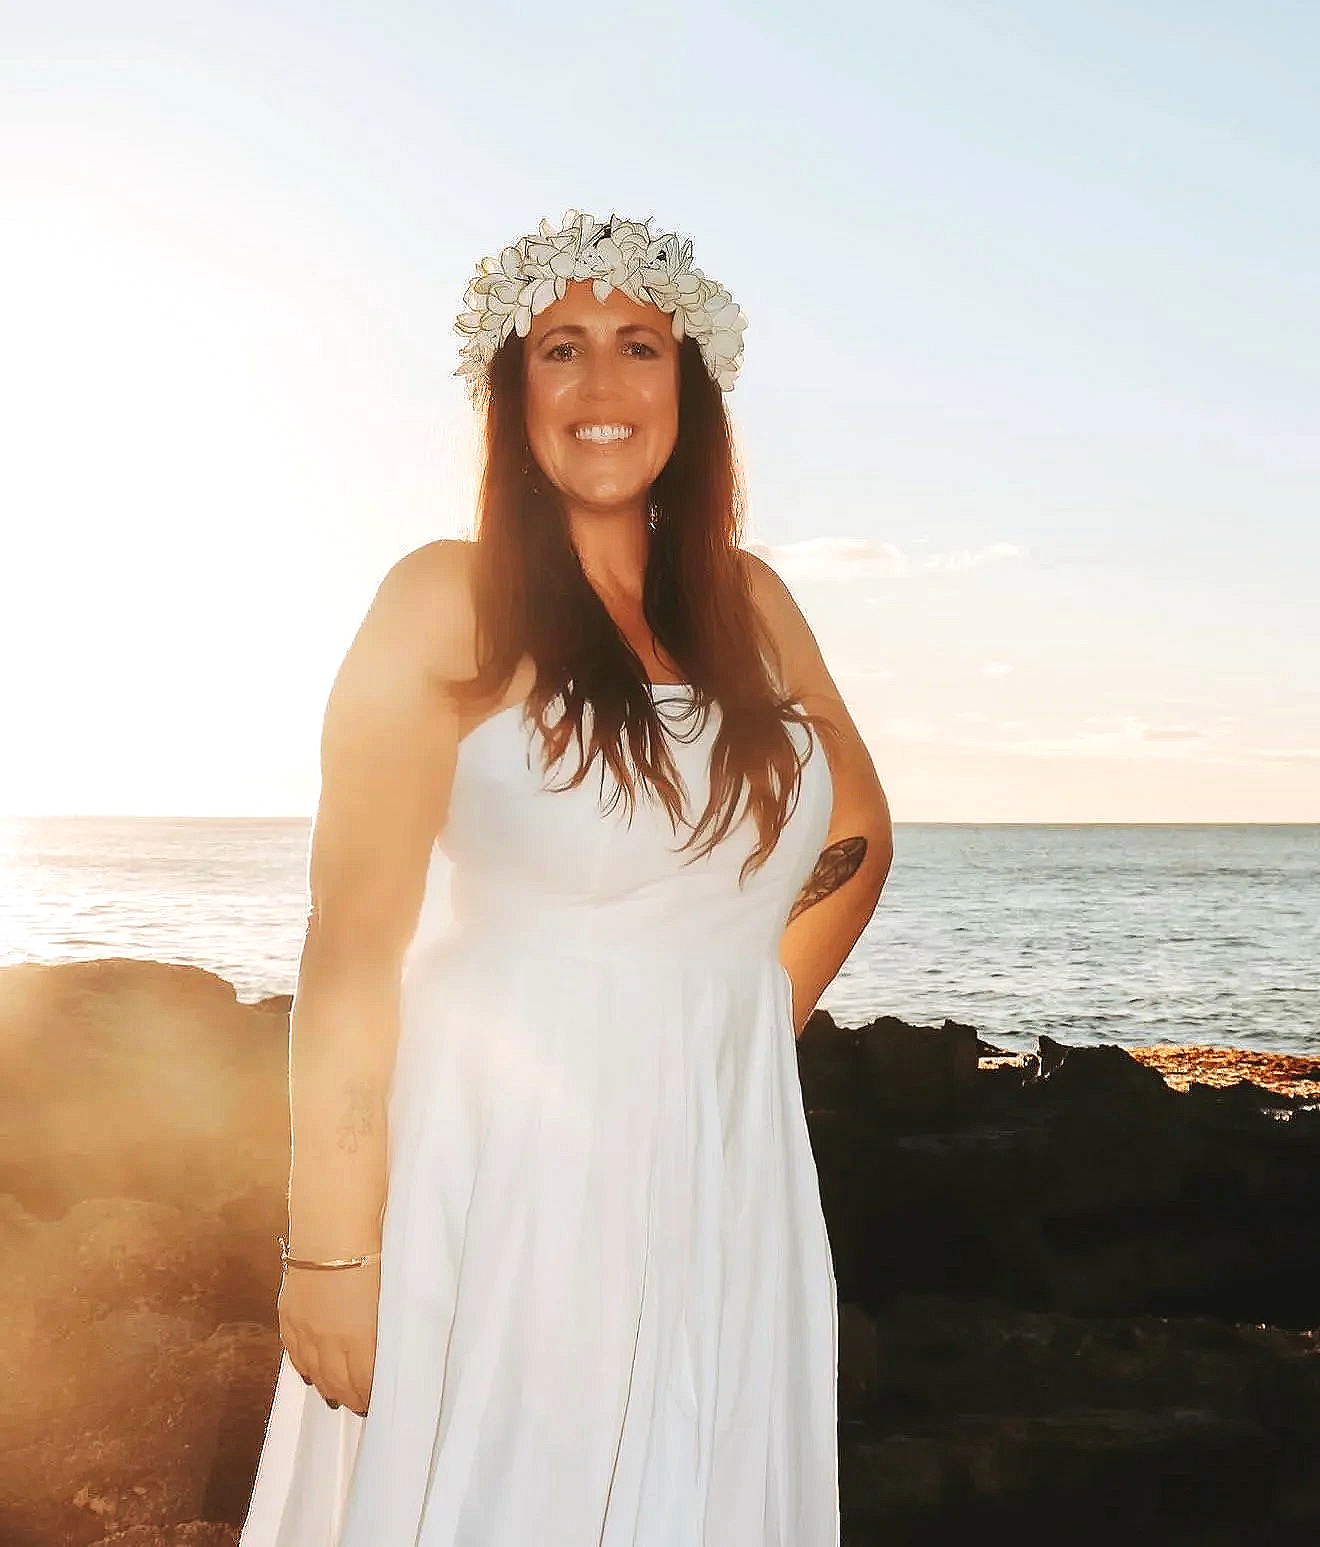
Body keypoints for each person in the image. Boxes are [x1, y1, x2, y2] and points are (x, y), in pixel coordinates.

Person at [238, 209, 893, 1547]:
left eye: (639, 347)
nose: (603, 387)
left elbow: (861, 833)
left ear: (686, 387)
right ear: (510, 392)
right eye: (562, 350)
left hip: (722, 1158)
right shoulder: (443, 597)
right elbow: (353, 943)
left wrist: (735, 1030)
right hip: (501, 1163)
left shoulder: (752, 603)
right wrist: (332, 1244)